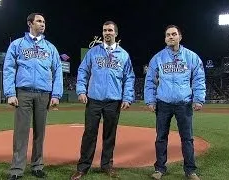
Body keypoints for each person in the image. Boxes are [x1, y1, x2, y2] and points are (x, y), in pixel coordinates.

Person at [71, 21, 135, 180]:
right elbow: (83, 71)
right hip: (94, 99)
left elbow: (129, 78)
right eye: (105, 30)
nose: (107, 33)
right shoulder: (93, 52)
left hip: (114, 101)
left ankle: (107, 165)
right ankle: (83, 167)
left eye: (110, 30)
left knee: (109, 135)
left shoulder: (124, 55)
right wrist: (81, 90)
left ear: (116, 33)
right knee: (89, 134)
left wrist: (127, 97)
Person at [3, 12, 63, 180]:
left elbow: (57, 71)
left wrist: (56, 94)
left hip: (44, 94)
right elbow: (8, 69)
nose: (42, 24)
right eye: (38, 21)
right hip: (23, 93)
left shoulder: (50, 47)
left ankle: (37, 166)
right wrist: (10, 93)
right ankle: (16, 169)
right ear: (30, 23)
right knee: (21, 132)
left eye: (44, 21)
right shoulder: (18, 44)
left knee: (40, 133)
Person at [144, 25, 206, 180]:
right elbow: (150, 80)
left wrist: (198, 98)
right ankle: (159, 169)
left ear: (180, 37)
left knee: (187, 138)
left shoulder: (191, 56)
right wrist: (150, 100)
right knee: (161, 138)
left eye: (173, 34)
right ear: (165, 38)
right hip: (163, 103)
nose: (170, 37)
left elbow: (199, 78)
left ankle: (190, 170)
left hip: (184, 103)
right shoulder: (158, 57)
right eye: (167, 35)